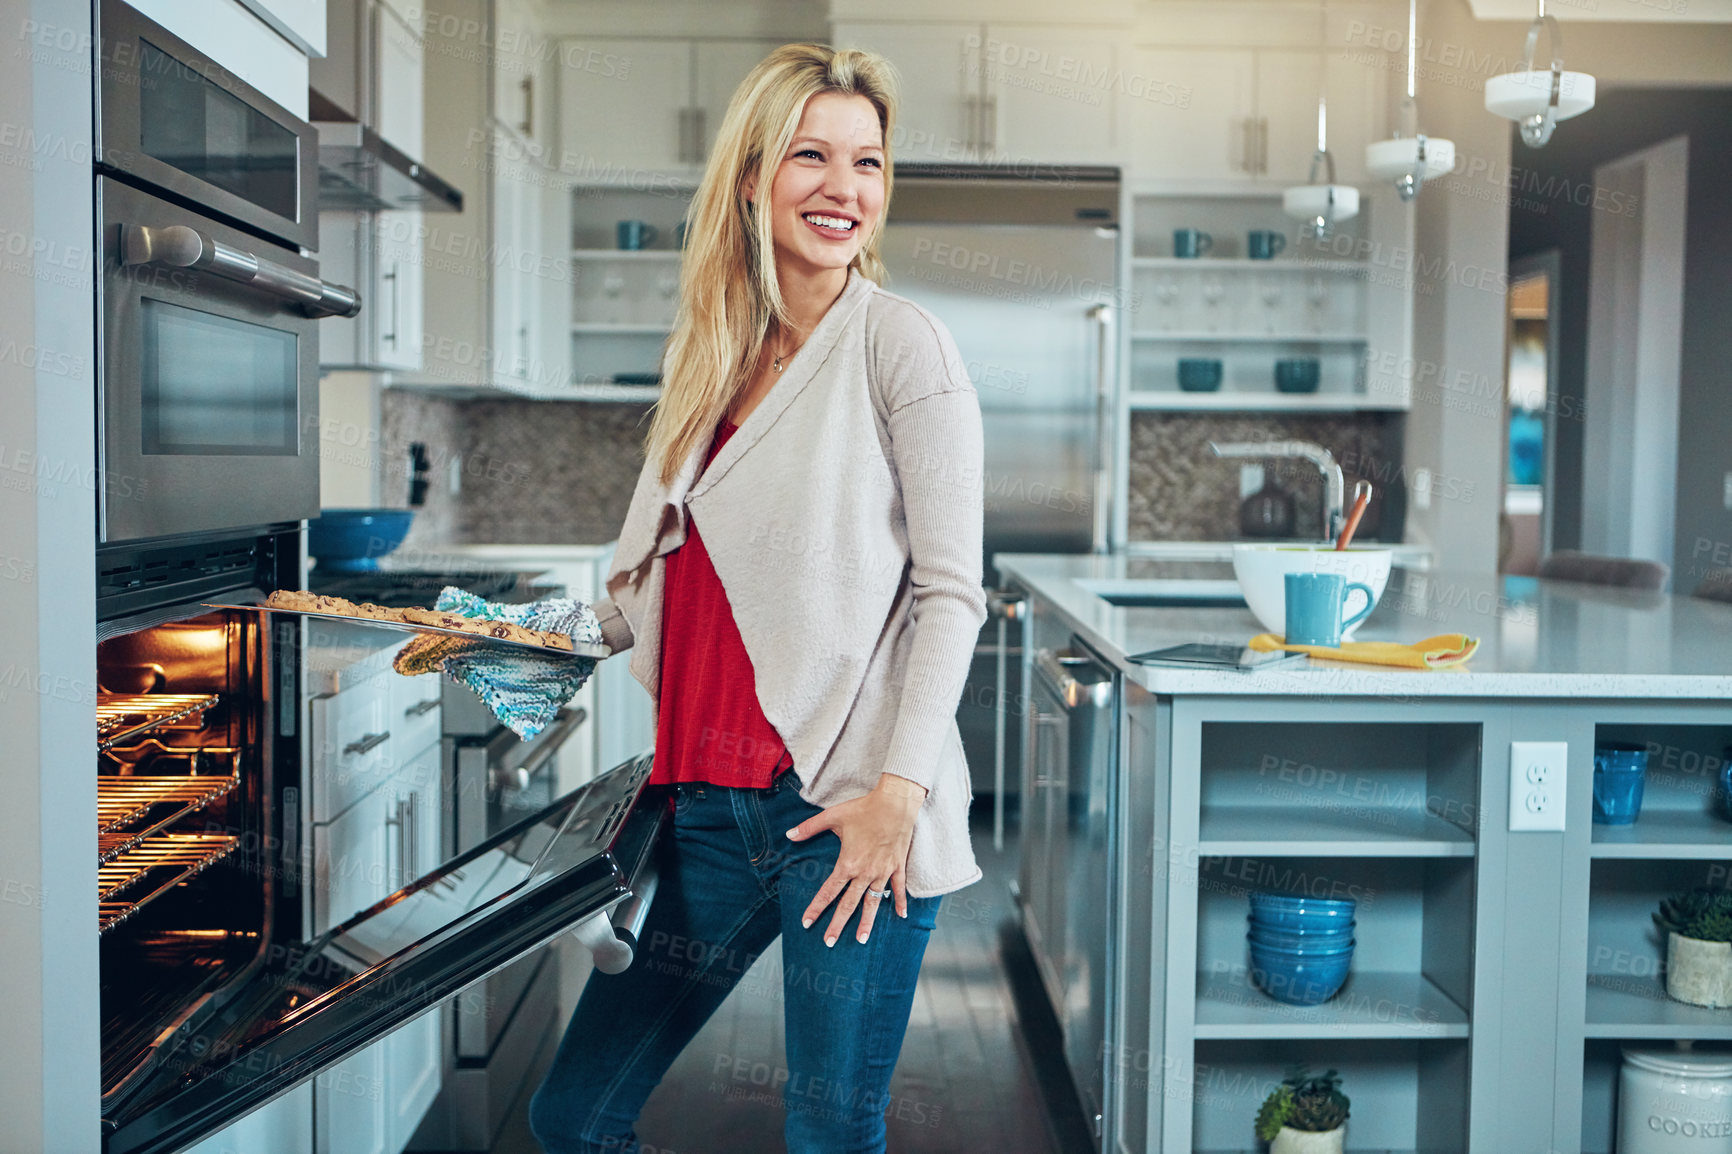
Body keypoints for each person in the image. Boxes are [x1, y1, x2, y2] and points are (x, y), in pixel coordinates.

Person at [526, 42, 986, 1154]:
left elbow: (951, 591)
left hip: (843, 809)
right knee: (573, 1114)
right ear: (749, 176)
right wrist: (492, 635)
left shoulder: (898, 344)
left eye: (868, 163)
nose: (845, 188)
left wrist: (897, 796)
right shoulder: (711, 358)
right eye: (810, 156)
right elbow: (649, 593)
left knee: (832, 1130)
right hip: (705, 808)